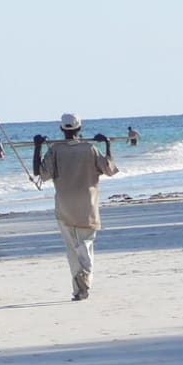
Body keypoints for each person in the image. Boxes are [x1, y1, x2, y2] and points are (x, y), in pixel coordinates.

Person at [34, 113, 118, 301]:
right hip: (87, 207)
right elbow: (109, 169)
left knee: (72, 250)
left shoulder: (55, 150)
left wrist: (38, 147)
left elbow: (39, 173)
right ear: (80, 128)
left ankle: (80, 288)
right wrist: (107, 144)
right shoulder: (90, 149)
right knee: (85, 246)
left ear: (62, 129)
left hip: (64, 207)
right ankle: (84, 281)